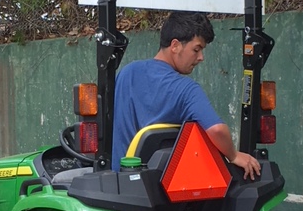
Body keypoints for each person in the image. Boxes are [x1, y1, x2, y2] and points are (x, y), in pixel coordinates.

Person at [111, 11, 261, 180]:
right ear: (175, 46)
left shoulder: (127, 73)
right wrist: (233, 155)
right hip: (156, 186)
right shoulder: (186, 90)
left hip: (118, 181)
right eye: (196, 49)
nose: (201, 57)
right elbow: (217, 130)